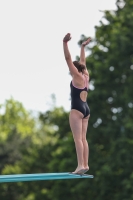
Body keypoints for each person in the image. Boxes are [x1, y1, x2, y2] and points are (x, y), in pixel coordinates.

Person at [63, 33, 91, 174]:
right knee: (83, 138)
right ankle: (85, 164)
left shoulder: (76, 76)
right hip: (86, 110)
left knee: (77, 139)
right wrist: (82, 47)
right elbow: (83, 61)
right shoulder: (86, 76)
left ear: (74, 69)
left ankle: (80, 165)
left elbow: (68, 59)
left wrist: (65, 43)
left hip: (77, 109)